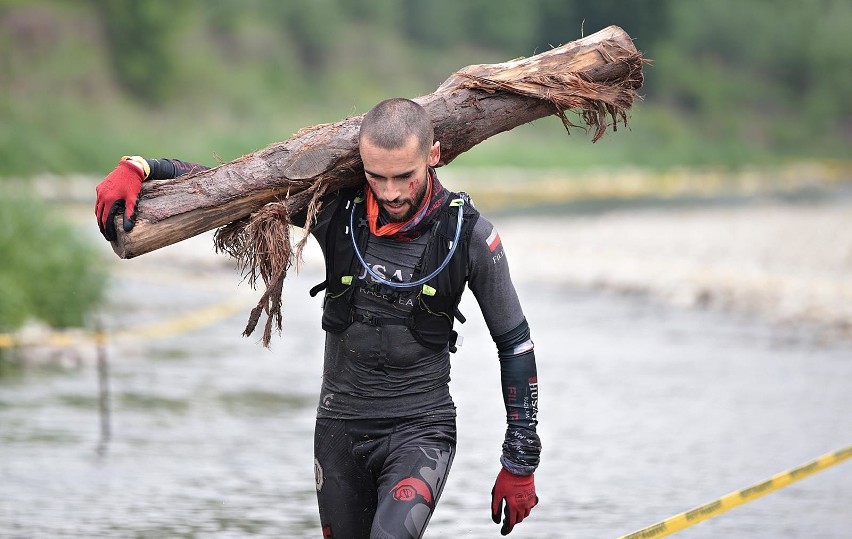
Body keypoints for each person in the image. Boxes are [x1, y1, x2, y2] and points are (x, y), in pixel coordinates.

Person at [95, 98, 541, 538]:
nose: (390, 193)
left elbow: (515, 343)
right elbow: (232, 186)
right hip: (339, 428)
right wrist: (140, 168)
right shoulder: (335, 211)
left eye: (404, 176)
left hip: (420, 428)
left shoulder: (469, 236)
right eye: (376, 177)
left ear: (434, 155)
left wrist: (520, 460)